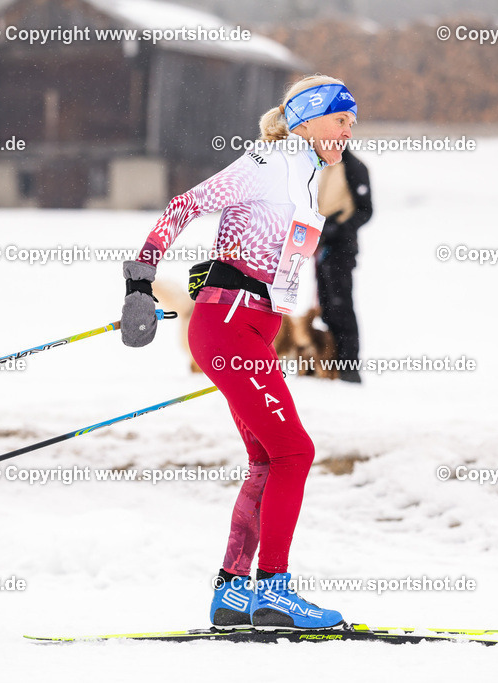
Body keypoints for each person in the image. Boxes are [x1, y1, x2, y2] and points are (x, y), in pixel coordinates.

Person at [119, 75, 357, 630]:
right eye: (340, 117)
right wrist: (139, 285)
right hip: (228, 324)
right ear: (305, 119)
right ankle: (274, 592)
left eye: (353, 120)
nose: (349, 128)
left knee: (267, 461)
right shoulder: (268, 163)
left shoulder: (307, 175)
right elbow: (184, 206)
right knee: (294, 452)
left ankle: (231, 594)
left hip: (251, 327)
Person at [315, 147, 372, 383]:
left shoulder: (355, 167)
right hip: (321, 247)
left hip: (342, 249)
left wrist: (338, 228)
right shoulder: (325, 166)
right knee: (326, 306)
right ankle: (332, 363)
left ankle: (349, 366)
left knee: (342, 306)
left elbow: (366, 210)